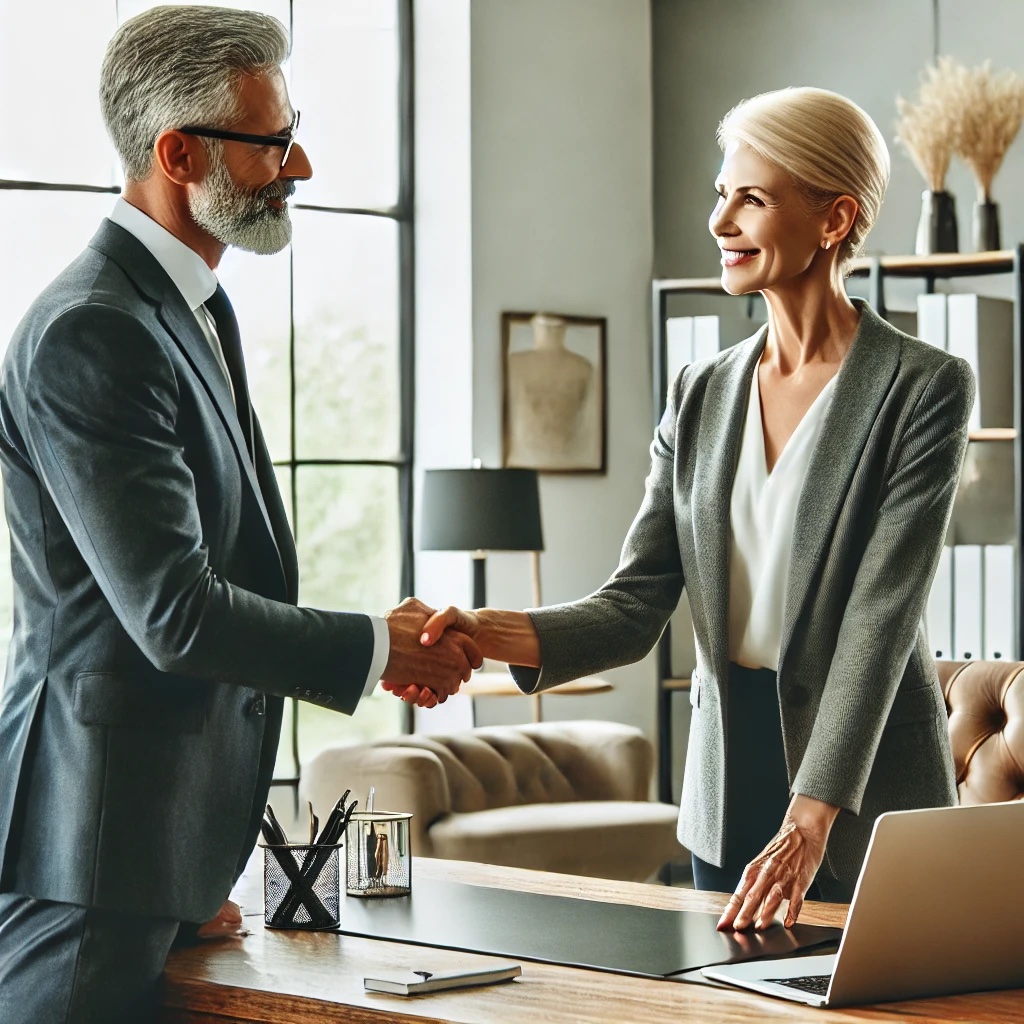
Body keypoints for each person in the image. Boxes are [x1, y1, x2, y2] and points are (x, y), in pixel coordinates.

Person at [388, 87, 973, 933]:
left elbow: (879, 619)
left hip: (865, 794)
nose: (719, 221)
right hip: (729, 788)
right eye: (720, 193)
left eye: (752, 198)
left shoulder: (922, 387)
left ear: (835, 219)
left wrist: (810, 818)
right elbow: (634, 604)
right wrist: (480, 630)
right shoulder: (701, 391)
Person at [0, 7, 477, 1022]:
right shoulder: (96, 328)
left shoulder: (189, 307)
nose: (298, 163)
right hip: (95, 855)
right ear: (178, 152)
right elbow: (173, 612)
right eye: (271, 141)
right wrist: (370, 645)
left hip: (153, 861)